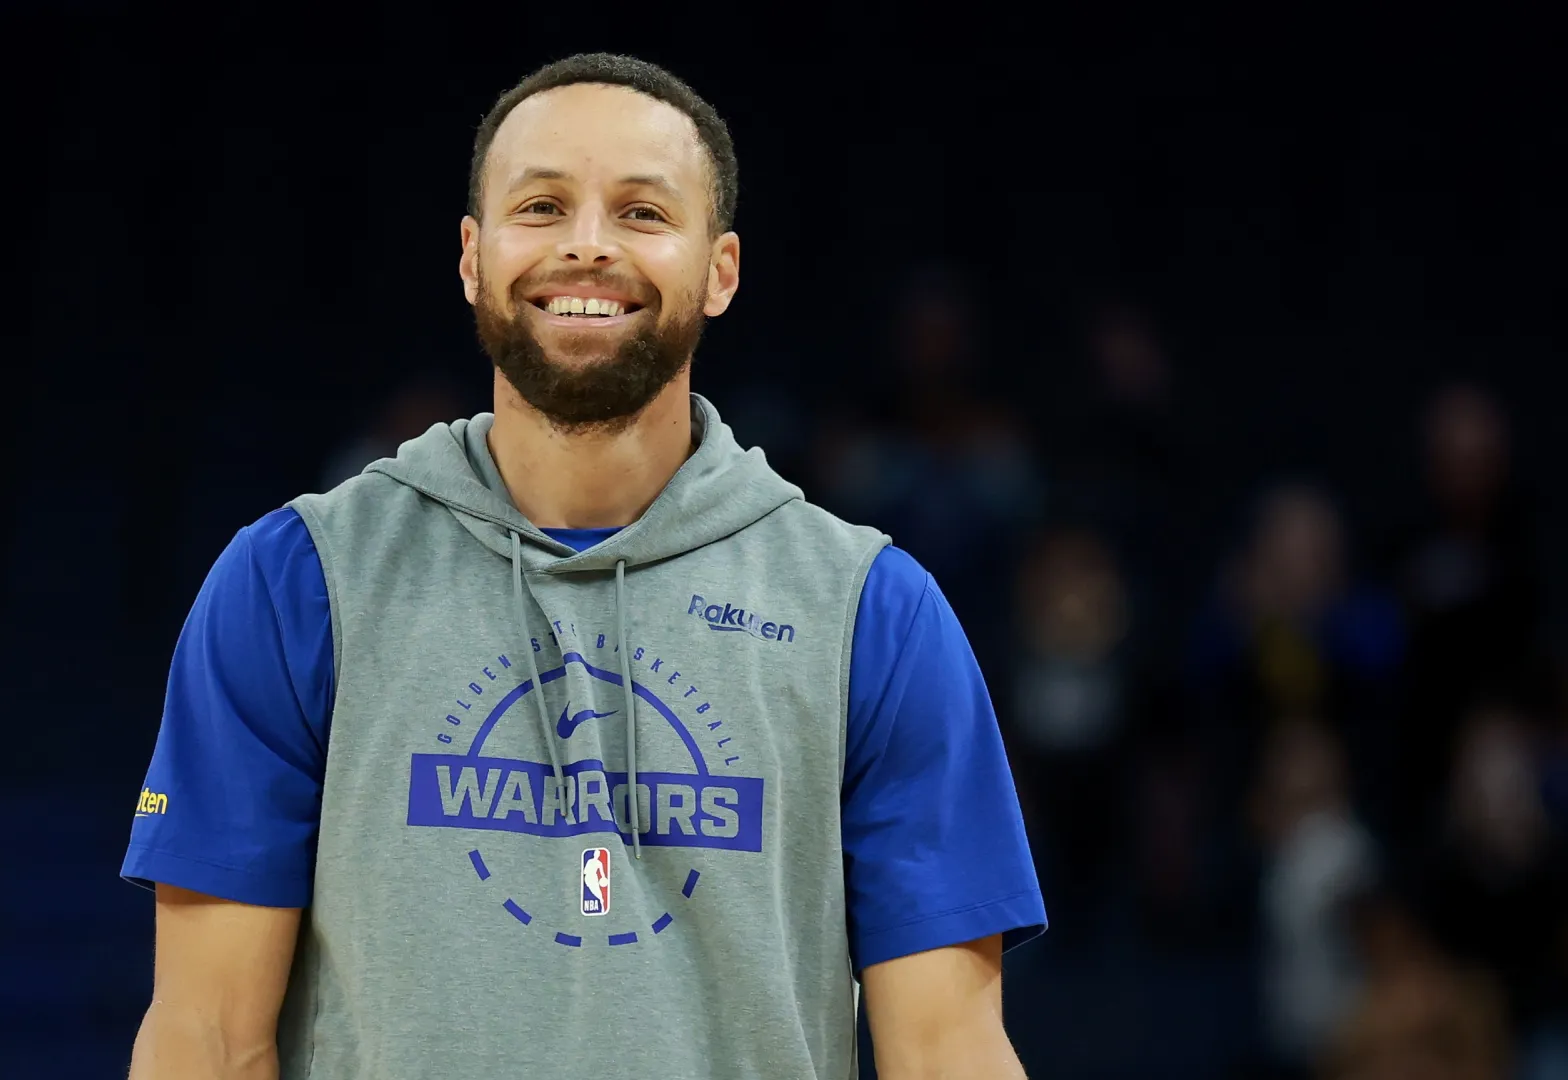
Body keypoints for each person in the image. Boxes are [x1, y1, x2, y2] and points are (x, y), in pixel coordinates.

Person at [120, 53, 1045, 1080]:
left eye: (644, 213)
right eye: (543, 206)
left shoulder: (871, 613)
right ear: (472, 256)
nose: (588, 245)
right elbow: (205, 1040)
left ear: (721, 269)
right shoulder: (295, 584)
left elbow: (947, 1050)